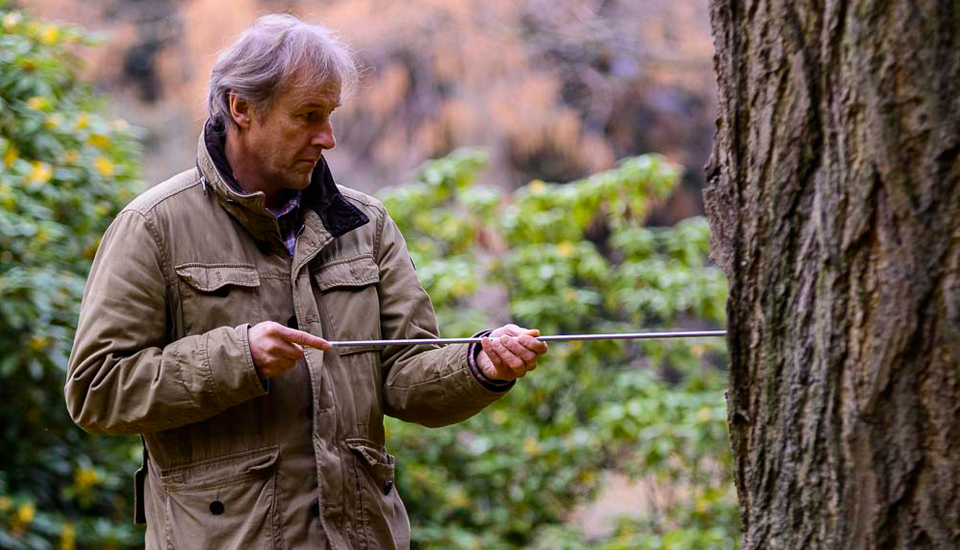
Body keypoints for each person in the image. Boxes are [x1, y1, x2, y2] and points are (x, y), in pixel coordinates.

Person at [65, 14, 547, 549]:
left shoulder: (366, 225)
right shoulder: (153, 226)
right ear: (241, 109)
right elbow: (96, 390)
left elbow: (406, 375)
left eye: (331, 114)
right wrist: (238, 356)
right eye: (308, 116)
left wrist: (479, 365)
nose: (329, 138)